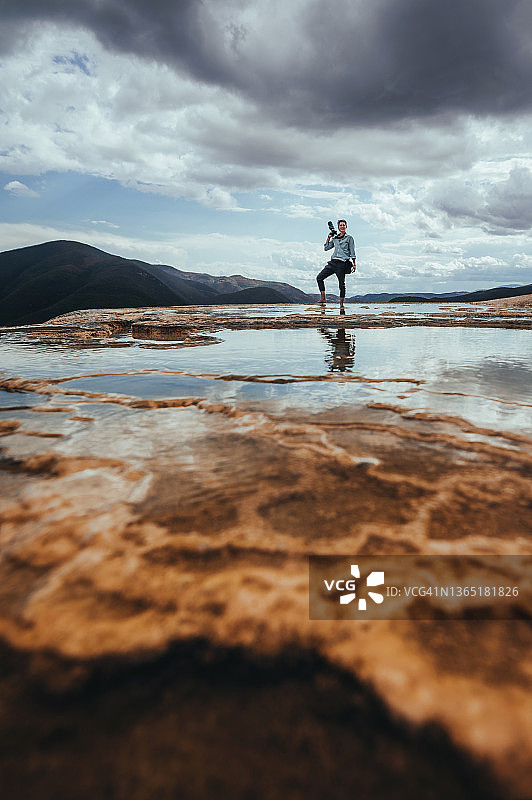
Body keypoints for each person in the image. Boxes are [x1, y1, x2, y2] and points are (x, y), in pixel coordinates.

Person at [316, 219, 356, 309]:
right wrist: (329, 237)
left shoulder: (349, 238)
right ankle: (323, 298)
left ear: (346, 227)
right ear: (338, 227)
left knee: (341, 284)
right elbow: (326, 248)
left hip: (342, 263)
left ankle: (341, 304)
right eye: (340, 225)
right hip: (332, 262)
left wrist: (354, 263)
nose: (342, 226)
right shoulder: (335, 238)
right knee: (319, 278)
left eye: (343, 225)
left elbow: (352, 251)